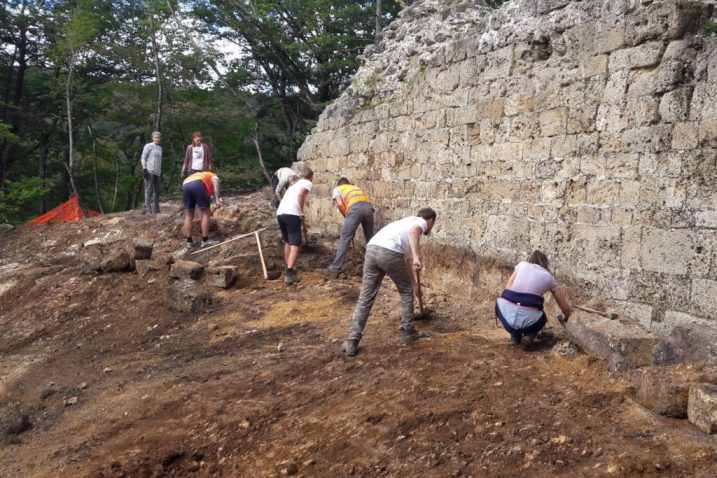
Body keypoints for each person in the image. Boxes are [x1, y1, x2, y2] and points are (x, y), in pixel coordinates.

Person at [342, 208, 437, 357]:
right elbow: (414, 232)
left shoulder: (402, 227)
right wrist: (417, 257)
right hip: (389, 252)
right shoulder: (420, 222)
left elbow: (407, 261)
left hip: (372, 250)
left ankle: (352, 340)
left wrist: (415, 286)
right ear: (431, 221)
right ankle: (408, 331)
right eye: (432, 225)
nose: (429, 228)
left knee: (366, 297)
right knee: (405, 293)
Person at [495, 250, 572, 346]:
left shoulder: (521, 265)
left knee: (513, 302)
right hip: (529, 318)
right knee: (542, 317)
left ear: (530, 259)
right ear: (545, 263)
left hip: (505, 314)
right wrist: (568, 316)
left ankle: (515, 336)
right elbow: (564, 306)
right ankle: (530, 336)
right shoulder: (549, 277)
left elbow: (508, 288)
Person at [323, 178, 374, 279]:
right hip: (369, 208)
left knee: (345, 238)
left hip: (355, 208)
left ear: (339, 184)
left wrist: (347, 217)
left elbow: (340, 204)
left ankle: (334, 269)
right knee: (370, 238)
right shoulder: (355, 188)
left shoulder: (337, 189)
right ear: (348, 184)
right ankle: (375, 266)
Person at [276, 167, 314, 285]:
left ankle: (289, 268)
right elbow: (301, 194)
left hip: (281, 213)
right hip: (292, 214)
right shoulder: (307, 182)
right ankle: (289, 273)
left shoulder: (294, 184)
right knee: (295, 244)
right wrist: (301, 211)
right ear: (312, 176)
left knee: (288, 242)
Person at [182, 171, 222, 249]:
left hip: (185, 184)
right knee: (205, 213)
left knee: (189, 214)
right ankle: (205, 240)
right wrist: (217, 200)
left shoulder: (203, 175)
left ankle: (189, 242)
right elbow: (216, 187)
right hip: (198, 184)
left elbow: (210, 194)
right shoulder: (214, 176)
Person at [140, 131, 162, 214]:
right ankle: (148, 209)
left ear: (160, 138)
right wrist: (144, 167)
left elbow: (159, 161)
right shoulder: (148, 146)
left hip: (157, 172)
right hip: (149, 170)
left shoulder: (160, 148)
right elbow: (143, 157)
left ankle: (156, 208)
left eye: (158, 137)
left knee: (157, 190)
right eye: (155, 137)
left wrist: (160, 171)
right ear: (152, 138)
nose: (157, 139)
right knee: (148, 190)